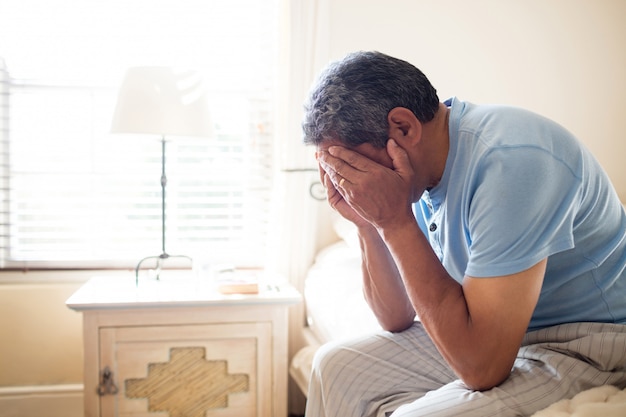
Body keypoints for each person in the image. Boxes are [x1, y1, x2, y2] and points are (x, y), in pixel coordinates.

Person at [302, 51, 626, 417]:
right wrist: (368, 220)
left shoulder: (513, 160)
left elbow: (482, 367)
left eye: (353, 165)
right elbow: (395, 317)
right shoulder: (422, 169)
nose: (352, 181)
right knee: (335, 367)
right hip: (495, 328)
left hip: (584, 342)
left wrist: (395, 222)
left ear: (403, 128)